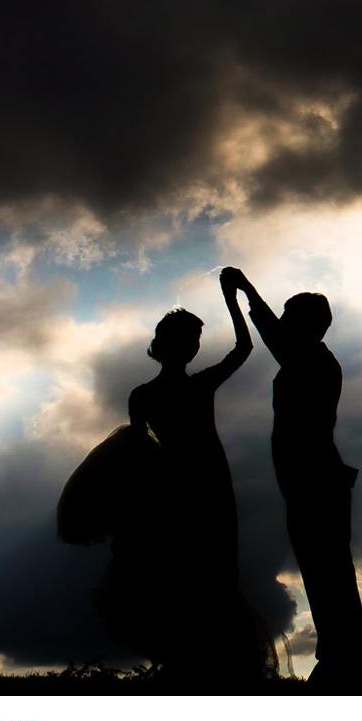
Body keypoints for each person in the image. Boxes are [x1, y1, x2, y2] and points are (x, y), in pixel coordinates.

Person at [122, 272, 273, 684]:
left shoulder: (145, 394)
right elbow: (244, 346)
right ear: (177, 345)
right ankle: (206, 665)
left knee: (203, 571)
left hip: (189, 482)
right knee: (201, 571)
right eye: (191, 340)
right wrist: (233, 296)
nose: (195, 346)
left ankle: (203, 664)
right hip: (195, 482)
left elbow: (136, 451)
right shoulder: (191, 386)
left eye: (196, 340)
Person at [225, 268, 362, 689]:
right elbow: (279, 339)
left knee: (329, 575)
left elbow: (275, 338)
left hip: (316, 481)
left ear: (308, 324)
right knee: (324, 574)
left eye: (289, 315)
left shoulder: (312, 359)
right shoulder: (309, 357)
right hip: (307, 481)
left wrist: (249, 290)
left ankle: (339, 670)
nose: (282, 321)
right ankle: (337, 667)